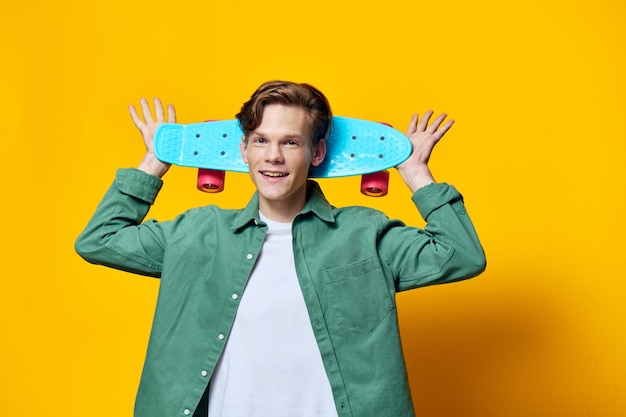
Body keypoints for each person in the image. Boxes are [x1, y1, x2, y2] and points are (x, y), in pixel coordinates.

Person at [75, 80, 486, 417]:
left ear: (317, 152)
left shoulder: (365, 233)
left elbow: (462, 254)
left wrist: (416, 173)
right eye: (260, 140)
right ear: (244, 150)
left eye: (291, 142)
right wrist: (154, 162)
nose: (273, 156)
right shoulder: (197, 233)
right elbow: (99, 239)